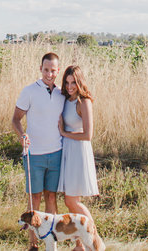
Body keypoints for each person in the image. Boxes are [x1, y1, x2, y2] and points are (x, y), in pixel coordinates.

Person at [12, 52, 65, 250]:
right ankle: (33, 244)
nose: (49, 74)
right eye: (46, 70)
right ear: (40, 69)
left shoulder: (62, 93)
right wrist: (22, 135)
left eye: (53, 71)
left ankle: (50, 243)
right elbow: (15, 119)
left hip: (56, 152)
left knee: (51, 197)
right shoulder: (29, 91)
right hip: (34, 154)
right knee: (34, 199)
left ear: (58, 71)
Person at [57, 65, 100, 235]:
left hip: (78, 152)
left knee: (72, 200)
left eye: (73, 82)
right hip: (67, 151)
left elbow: (88, 135)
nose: (69, 86)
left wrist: (64, 133)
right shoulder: (65, 100)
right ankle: (80, 244)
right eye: (67, 83)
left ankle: (94, 237)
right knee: (70, 201)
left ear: (79, 82)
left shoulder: (84, 102)